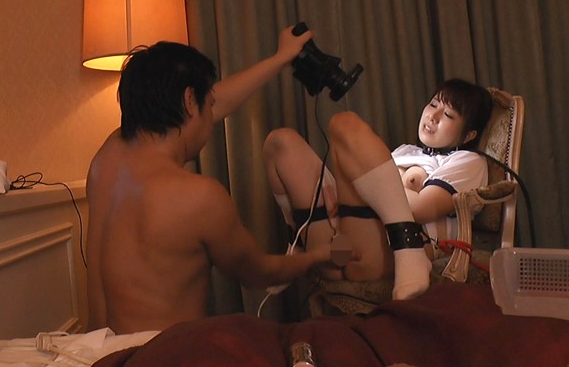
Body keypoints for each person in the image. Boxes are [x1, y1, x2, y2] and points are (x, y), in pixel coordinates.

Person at [86, 26, 327, 335]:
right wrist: (317, 256)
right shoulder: (198, 196)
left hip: (99, 351)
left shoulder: (106, 158)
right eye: (208, 104)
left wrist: (281, 58)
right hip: (160, 354)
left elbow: (212, 102)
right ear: (190, 100)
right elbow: (259, 272)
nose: (212, 116)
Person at [263, 78, 492, 300]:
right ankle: (298, 241)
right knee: (280, 142)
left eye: (448, 115)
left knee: (344, 123)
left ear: (469, 135)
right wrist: (353, 194)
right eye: (433, 104)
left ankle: (409, 251)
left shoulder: (467, 161)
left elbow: (422, 209)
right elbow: (376, 192)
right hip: (334, 247)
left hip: (380, 251)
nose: (433, 116)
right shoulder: (404, 151)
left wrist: (365, 190)